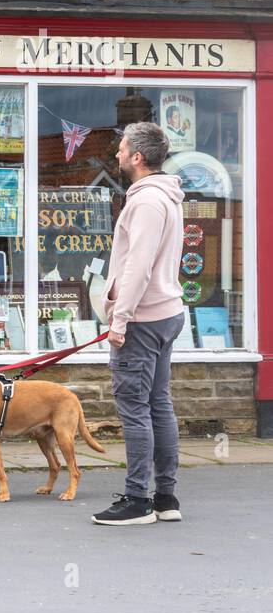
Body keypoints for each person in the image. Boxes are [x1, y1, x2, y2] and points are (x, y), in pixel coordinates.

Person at [93, 122, 186, 526]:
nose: (116, 155)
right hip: (166, 314)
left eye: (122, 149)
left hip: (144, 319)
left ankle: (137, 500)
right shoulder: (165, 196)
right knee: (158, 404)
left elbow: (138, 266)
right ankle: (165, 498)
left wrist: (120, 320)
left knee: (135, 409)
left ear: (138, 157)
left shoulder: (147, 202)